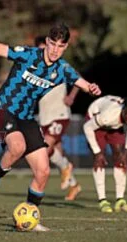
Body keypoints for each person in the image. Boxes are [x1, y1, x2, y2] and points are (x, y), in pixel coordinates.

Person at [0, 23, 101, 231]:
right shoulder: (29, 54)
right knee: (17, 146)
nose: (54, 50)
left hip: (26, 117)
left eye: (60, 46)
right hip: (3, 108)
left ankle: (30, 217)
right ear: (47, 42)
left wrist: (91, 88)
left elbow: (83, 84)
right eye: (52, 44)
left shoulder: (62, 69)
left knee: (43, 171)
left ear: (66, 46)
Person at [35, 35, 81, 200]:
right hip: (44, 116)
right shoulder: (33, 69)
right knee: (55, 152)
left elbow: (78, 78)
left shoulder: (59, 66)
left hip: (60, 114)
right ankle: (74, 185)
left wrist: (72, 96)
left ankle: (64, 171)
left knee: (44, 149)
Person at [83, 95, 127, 213]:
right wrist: (97, 152)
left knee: (120, 158)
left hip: (115, 125)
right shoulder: (108, 115)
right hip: (96, 118)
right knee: (100, 160)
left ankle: (120, 199)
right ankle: (103, 201)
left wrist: (126, 152)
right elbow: (87, 127)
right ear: (123, 109)